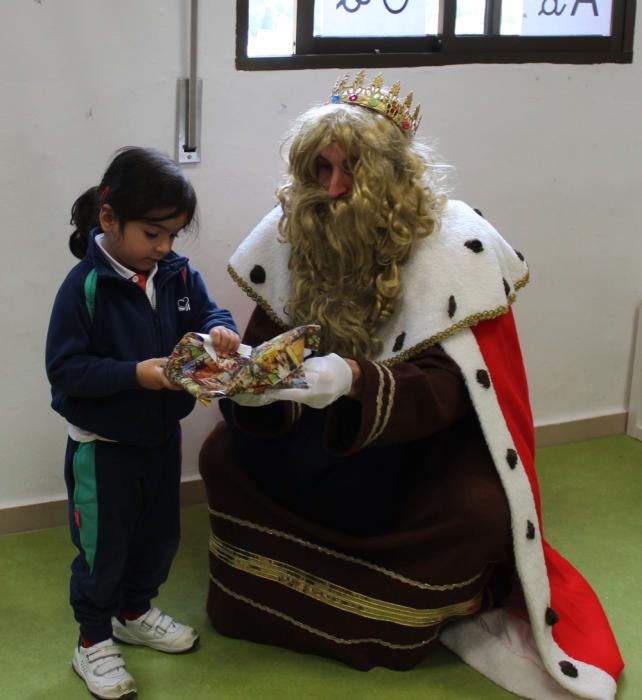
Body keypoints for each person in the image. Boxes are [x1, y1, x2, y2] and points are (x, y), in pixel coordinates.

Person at [198, 72, 623, 700]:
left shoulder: (453, 246)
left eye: (353, 172)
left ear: (391, 176)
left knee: (477, 513)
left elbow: (455, 393)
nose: (334, 189)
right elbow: (267, 340)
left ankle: (388, 623)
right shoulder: (295, 230)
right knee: (224, 456)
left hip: (406, 447)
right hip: (312, 438)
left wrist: (353, 382)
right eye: (322, 168)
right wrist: (256, 385)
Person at [46, 147, 240, 700]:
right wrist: (136, 374)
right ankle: (91, 641)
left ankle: (133, 612)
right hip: (102, 449)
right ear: (109, 220)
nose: (164, 248)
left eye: (174, 235)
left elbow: (210, 314)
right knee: (103, 549)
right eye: (153, 234)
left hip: (160, 439)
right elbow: (65, 371)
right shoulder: (84, 287)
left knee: (158, 537)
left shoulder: (175, 273)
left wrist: (221, 331)